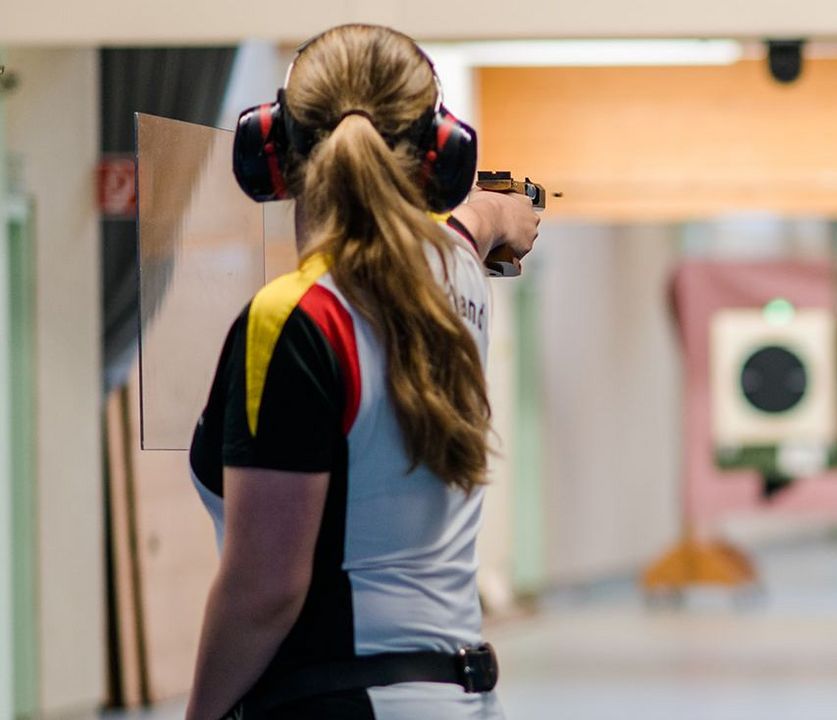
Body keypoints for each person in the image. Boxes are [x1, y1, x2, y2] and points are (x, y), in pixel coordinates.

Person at [184, 24, 539, 720]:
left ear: (271, 153)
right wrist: (513, 204)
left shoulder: (295, 320)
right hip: (461, 700)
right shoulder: (455, 278)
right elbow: (481, 221)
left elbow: (265, 592)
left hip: (339, 701)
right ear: (441, 155)